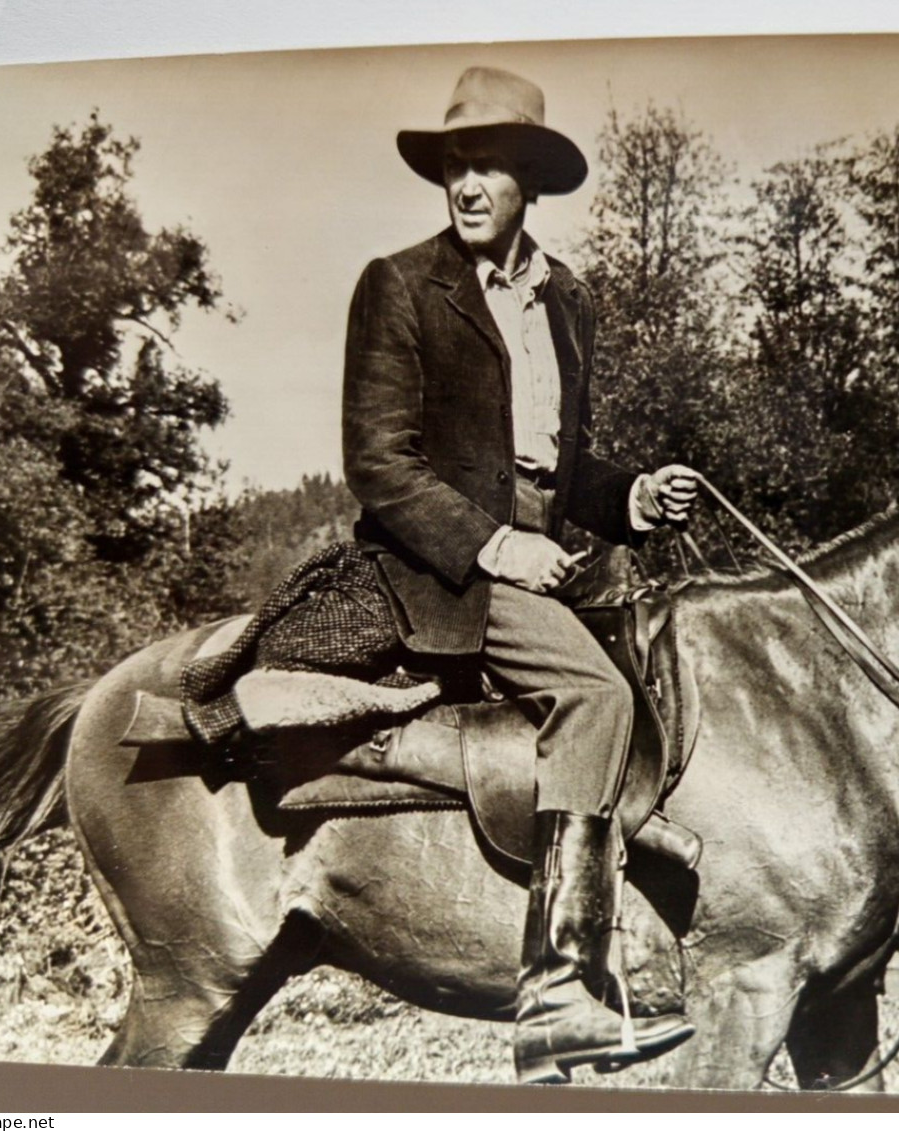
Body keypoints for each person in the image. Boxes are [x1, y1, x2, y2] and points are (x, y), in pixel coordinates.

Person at [343, 65, 699, 1084]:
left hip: (549, 570)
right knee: (592, 697)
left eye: (487, 163)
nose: (466, 183)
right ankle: (557, 992)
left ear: (528, 179)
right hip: (443, 574)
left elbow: (564, 468)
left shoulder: (566, 300)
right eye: (455, 163)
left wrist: (632, 499)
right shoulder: (401, 284)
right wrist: (497, 546)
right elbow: (379, 463)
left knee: (676, 675)